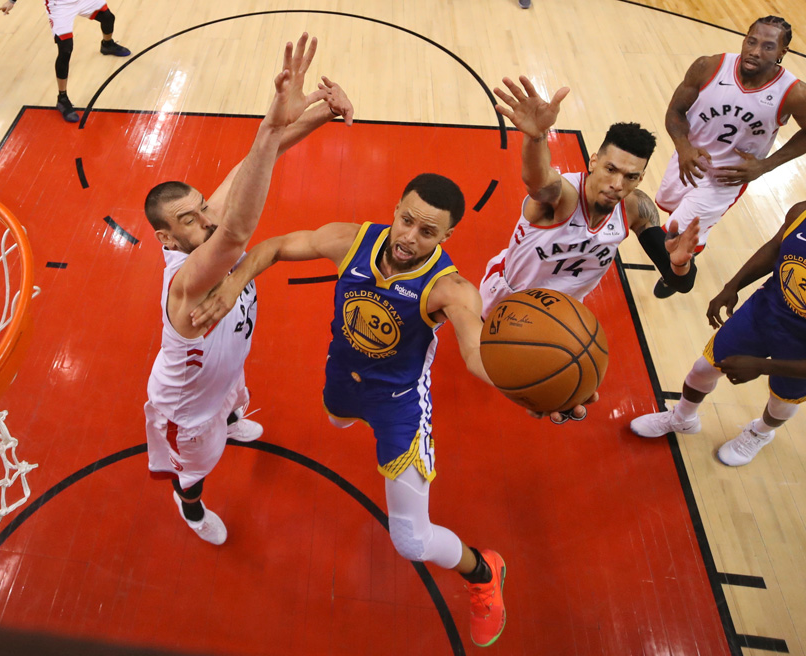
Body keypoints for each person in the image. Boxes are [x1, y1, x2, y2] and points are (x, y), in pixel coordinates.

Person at [188, 173, 594, 647]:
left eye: (427, 232)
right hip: (343, 374)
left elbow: (475, 355)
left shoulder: (453, 290)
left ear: (446, 237)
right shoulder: (352, 240)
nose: (409, 237)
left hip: (399, 403)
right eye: (406, 221)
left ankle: (483, 570)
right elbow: (277, 245)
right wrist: (234, 283)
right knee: (336, 416)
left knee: (411, 542)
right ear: (396, 208)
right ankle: (349, 412)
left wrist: (536, 393)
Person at [142, 33, 354, 546]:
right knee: (195, 471)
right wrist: (268, 123)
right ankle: (189, 509)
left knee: (236, 387)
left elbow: (263, 156)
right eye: (188, 221)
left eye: (202, 206)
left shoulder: (206, 221)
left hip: (228, 366)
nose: (205, 220)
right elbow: (237, 231)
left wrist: (326, 110)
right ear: (167, 237)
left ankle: (234, 416)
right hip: (187, 407)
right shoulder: (186, 281)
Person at [630, 180, 806, 466]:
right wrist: (733, 285)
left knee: (782, 401)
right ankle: (683, 418)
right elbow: (776, 247)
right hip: (765, 312)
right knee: (704, 368)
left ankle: (760, 433)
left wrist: (764, 367)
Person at [480, 76, 700, 322]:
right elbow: (538, 181)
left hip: (561, 312)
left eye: (630, 176)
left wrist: (679, 264)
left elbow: (680, 283)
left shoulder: (637, 209)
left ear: (641, 178)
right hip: (509, 299)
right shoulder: (564, 197)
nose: (617, 184)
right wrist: (536, 137)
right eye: (611, 169)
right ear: (593, 161)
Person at [652, 15, 806, 298]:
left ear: (783, 52)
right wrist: (683, 146)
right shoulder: (709, 67)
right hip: (688, 161)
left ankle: (677, 275)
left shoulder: (798, 94)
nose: (756, 51)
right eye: (752, 41)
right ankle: (692, 247)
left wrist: (766, 166)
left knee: (672, 235)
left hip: (727, 178)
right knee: (672, 211)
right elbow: (675, 111)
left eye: (768, 47)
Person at [0, 0, 134, 123]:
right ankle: (62, 98)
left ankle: (107, 45)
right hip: (60, 6)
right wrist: (11, 1)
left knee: (108, 18)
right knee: (65, 49)